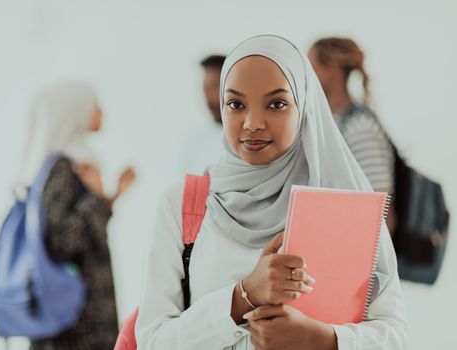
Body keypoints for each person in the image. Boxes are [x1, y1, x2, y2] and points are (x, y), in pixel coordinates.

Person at [135, 35, 407, 349]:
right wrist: (242, 298)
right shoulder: (183, 203)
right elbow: (152, 340)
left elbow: (396, 335)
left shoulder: (343, 204)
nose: (252, 123)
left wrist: (323, 339)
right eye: (236, 104)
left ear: (303, 106)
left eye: (276, 104)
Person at [19, 81, 136, 350]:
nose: (102, 113)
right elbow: (62, 241)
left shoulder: (76, 161)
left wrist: (110, 197)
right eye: (95, 106)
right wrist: (97, 198)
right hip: (75, 323)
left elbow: (83, 228)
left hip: (82, 315)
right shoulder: (65, 167)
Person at [308, 38, 394, 196]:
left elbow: (379, 203)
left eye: (311, 66)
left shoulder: (360, 127)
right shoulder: (332, 123)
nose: (306, 75)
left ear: (331, 68)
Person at [178, 55, 226, 175]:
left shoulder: (254, 138)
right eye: (205, 89)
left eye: (215, 87)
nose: (209, 98)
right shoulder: (194, 143)